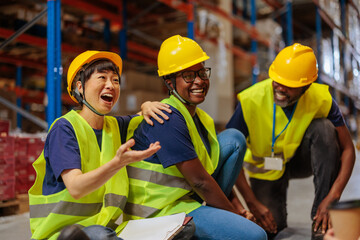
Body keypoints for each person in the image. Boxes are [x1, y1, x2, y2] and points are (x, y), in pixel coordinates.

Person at [123, 35, 267, 239]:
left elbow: (209, 170)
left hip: (187, 198)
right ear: (170, 82)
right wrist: (236, 215)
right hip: (161, 213)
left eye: (202, 72)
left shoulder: (199, 118)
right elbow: (200, 181)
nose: (199, 80)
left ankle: (217, 217)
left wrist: (236, 207)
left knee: (233, 139)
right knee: (255, 236)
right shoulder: (167, 118)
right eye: (188, 76)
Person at [28, 50, 170, 240]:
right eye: (102, 78)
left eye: (115, 80)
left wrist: (146, 105)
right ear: (80, 87)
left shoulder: (114, 126)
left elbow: (139, 116)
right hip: (60, 233)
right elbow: (76, 188)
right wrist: (117, 163)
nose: (110, 85)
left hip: (102, 227)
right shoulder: (64, 129)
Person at [226, 43, 356, 240]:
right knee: (269, 229)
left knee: (325, 130)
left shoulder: (321, 98)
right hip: (265, 169)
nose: (280, 88)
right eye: (277, 80)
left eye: (289, 85)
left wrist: (333, 196)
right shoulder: (251, 100)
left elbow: (348, 149)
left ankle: (321, 220)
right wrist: (251, 202)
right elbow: (228, 155)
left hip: (299, 160)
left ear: (306, 86)